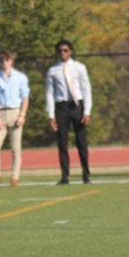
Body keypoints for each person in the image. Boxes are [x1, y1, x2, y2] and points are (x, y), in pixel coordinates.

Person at [45, 39, 92, 185]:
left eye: (65, 50)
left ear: (70, 51)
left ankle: (86, 173)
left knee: (81, 141)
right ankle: (65, 175)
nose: (63, 53)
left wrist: (87, 111)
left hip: (77, 105)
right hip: (61, 107)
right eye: (60, 50)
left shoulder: (79, 67)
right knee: (62, 142)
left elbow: (86, 89)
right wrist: (51, 115)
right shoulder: (52, 70)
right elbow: (49, 93)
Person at [0, 50, 30, 187]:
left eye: (6, 60)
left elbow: (25, 97)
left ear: (11, 61)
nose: (4, 63)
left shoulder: (20, 77)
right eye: (1, 60)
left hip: (15, 112)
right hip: (1, 113)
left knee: (16, 148)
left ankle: (14, 177)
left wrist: (22, 115)